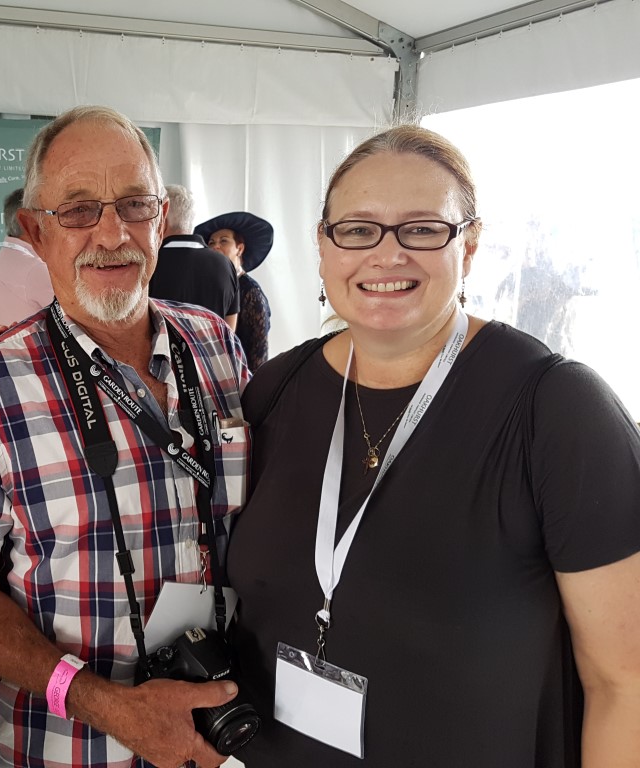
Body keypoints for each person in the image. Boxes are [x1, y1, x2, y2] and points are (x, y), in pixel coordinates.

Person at [227, 125, 640, 767]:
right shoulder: (277, 389)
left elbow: (624, 684)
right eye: (358, 229)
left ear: (468, 247)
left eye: (422, 229)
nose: (386, 255)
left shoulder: (556, 410)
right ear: (324, 246)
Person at [0, 105, 251, 768]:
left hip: (216, 737)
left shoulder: (217, 346)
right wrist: (104, 705)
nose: (112, 233)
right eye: (77, 210)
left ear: (162, 219)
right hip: (62, 751)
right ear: (35, 232)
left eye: (134, 205)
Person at [148, 184, 239, 330]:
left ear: (162, 221)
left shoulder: (149, 264)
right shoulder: (226, 265)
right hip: (214, 345)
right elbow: (229, 332)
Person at [195, 213, 273, 370]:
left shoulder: (252, 293)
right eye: (211, 242)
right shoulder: (206, 288)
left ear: (240, 248)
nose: (215, 246)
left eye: (223, 241)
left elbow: (259, 353)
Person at [0, 187, 54, 325]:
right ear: (28, 223)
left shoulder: (3, 259)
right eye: (48, 214)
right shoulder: (35, 268)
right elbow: (81, 320)